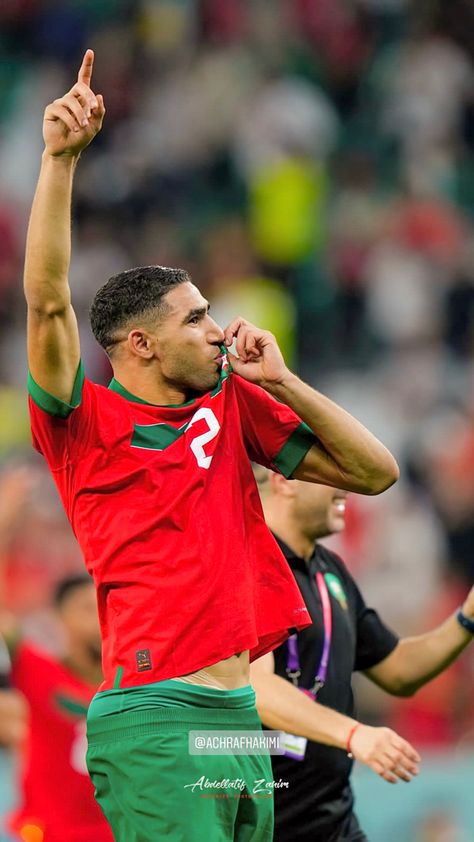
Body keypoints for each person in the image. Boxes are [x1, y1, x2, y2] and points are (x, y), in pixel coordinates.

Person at [24, 49, 401, 841]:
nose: (217, 327)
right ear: (141, 346)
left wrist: (287, 383)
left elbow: (376, 473)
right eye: (194, 318)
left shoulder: (231, 404)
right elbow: (50, 301)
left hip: (235, 718)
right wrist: (60, 161)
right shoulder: (81, 424)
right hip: (157, 714)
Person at [250, 470, 474, 842]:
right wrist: (353, 734)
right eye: (327, 469)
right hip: (267, 820)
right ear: (283, 479)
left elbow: (397, 669)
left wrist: (467, 617)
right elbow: (257, 688)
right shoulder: (247, 561)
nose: (345, 485)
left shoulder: (330, 571)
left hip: (331, 819)